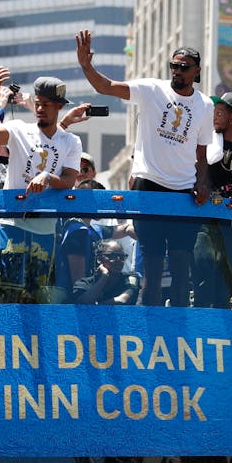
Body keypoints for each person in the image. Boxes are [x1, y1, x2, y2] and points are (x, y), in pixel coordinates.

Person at [76, 30, 211, 305]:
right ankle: (152, 334)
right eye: (174, 66)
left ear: (196, 71)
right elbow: (107, 87)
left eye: (184, 68)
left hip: (183, 193)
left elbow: (202, 150)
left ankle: (177, 334)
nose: (177, 71)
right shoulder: (152, 89)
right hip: (149, 186)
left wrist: (202, 183)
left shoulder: (205, 105)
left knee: (181, 271)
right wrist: (86, 66)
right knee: (152, 267)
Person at [0, 69, 82, 192]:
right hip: (14, 208)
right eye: (37, 103)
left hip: (49, 209)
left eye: (46, 105)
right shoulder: (17, 129)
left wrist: (47, 177)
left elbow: (69, 180)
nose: (40, 109)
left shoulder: (72, 141)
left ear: (59, 106)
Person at [72, 240, 137, 305]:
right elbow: (83, 303)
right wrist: (104, 277)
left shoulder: (129, 279)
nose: (119, 260)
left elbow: (123, 300)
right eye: (112, 256)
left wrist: (99, 307)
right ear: (99, 259)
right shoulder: (84, 283)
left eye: (122, 257)